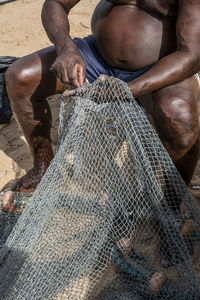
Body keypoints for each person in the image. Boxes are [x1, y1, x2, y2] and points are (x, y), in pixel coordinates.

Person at [1, 0, 200, 211]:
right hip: (96, 56)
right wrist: (66, 48)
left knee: (180, 116)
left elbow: (191, 54)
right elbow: (56, 3)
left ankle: (171, 205)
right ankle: (43, 168)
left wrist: (129, 89)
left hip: (157, 68)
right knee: (20, 76)